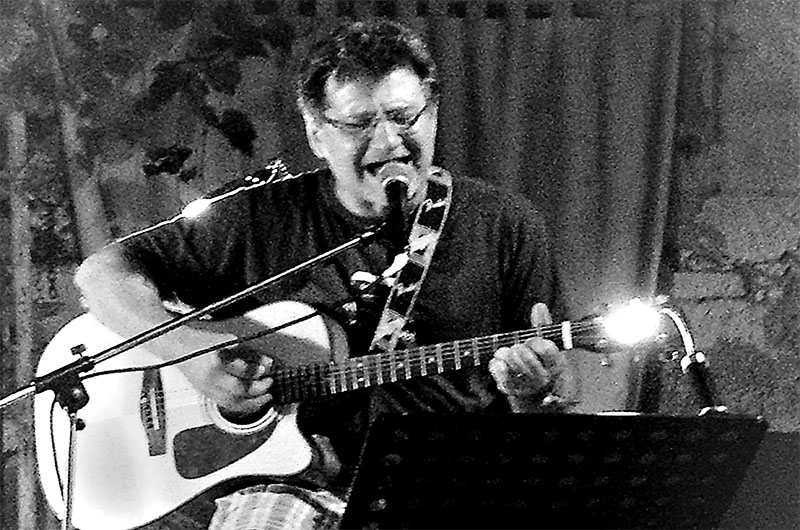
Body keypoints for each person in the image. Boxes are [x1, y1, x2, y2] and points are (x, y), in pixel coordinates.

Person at [74, 18, 576, 530]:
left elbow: (554, 397)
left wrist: (532, 393)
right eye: (359, 123)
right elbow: (101, 274)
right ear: (317, 134)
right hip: (292, 489)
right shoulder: (259, 219)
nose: (389, 141)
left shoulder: (503, 224)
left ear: (433, 115)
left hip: (448, 487)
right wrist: (190, 355)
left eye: (404, 116)